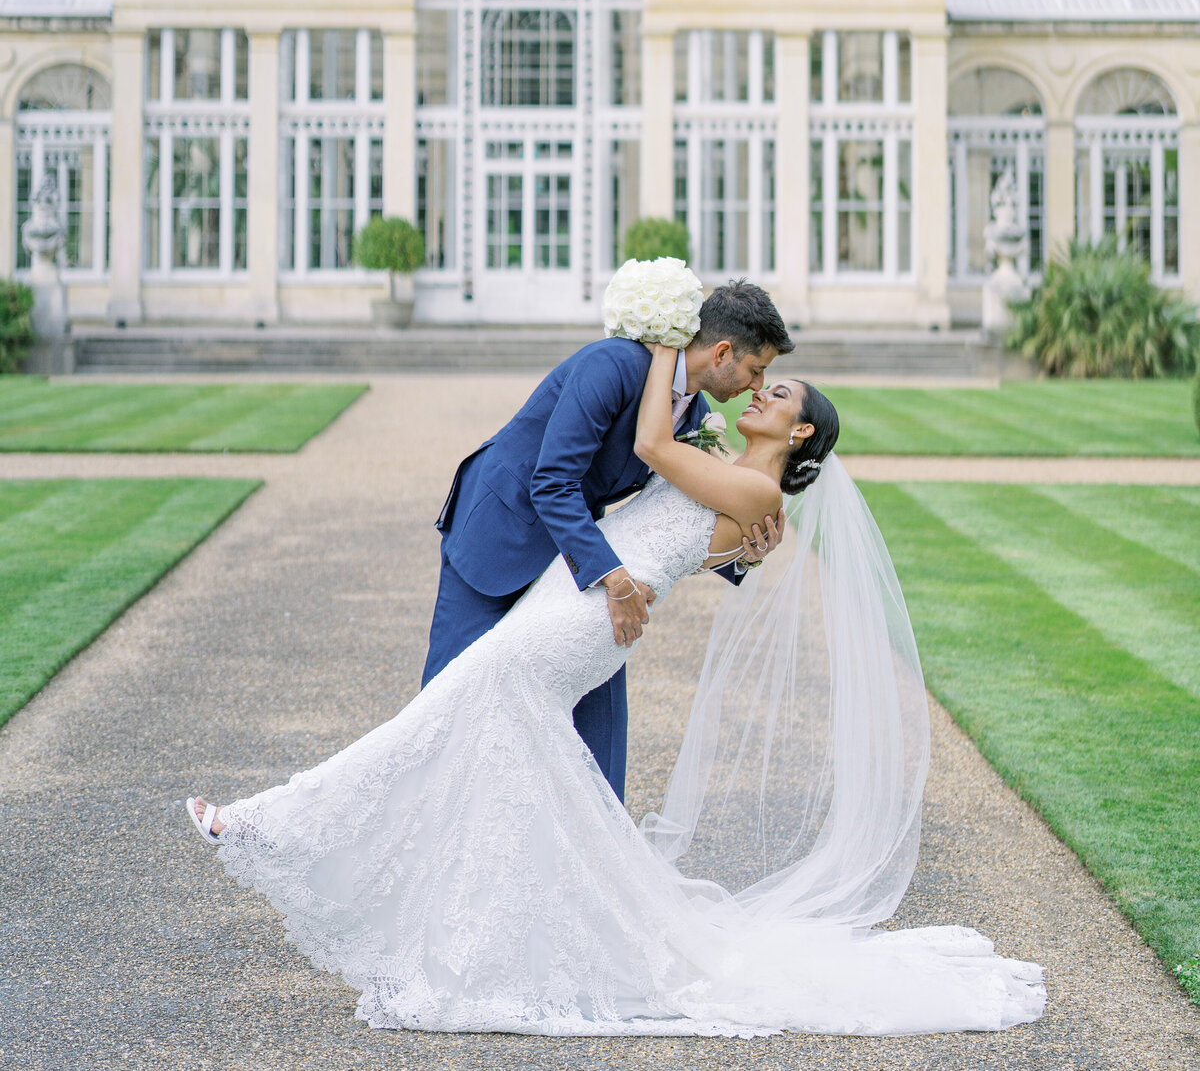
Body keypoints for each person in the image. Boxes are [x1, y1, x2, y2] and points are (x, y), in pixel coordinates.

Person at [185, 345, 1046, 1037]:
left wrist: (663, 340)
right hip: (576, 594)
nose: (757, 392)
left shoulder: (751, 484)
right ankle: (494, 930)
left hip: (583, 621)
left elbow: (648, 454)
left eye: (777, 394)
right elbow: (672, 512)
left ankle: (268, 821)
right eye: (760, 377)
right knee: (491, 742)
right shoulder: (736, 474)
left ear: (802, 436)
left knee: (451, 713)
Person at [423, 278, 793, 801]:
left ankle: (594, 865)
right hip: (500, 534)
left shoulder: (698, 415)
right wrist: (614, 579)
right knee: (448, 704)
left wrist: (746, 549)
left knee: (598, 732)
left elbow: (691, 517)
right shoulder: (613, 366)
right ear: (723, 352)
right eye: (757, 371)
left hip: (578, 555)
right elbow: (551, 482)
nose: (758, 387)